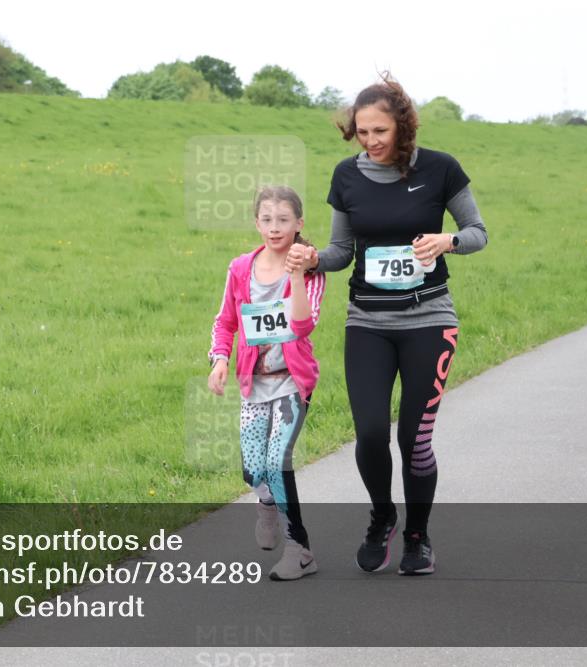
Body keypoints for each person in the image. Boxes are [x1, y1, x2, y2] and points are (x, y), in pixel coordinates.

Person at [288, 73, 488, 576]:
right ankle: (382, 516)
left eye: (380, 130)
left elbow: (477, 232)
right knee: (372, 433)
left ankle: (418, 537)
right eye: (362, 132)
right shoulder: (346, 176)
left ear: (402, 126)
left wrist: (447, 242)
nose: (371, 141)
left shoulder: (440, 169)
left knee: (414, 440)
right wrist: (313, 259)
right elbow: (340, 252)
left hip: (429, 319)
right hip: (368, 323)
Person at [208, 185, 326, 581]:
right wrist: (220, 360)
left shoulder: (312, 269)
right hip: (253, 385)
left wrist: (297, 274)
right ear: (256, 223)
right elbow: (225, 322)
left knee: (277, 463)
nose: (275, 228)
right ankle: (267, 504)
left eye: (283, 220)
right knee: (253, 472)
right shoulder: (241, 268)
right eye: (267, 220)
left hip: (292, 382)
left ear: (299, 223)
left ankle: (299, 549)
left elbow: (303, 325)